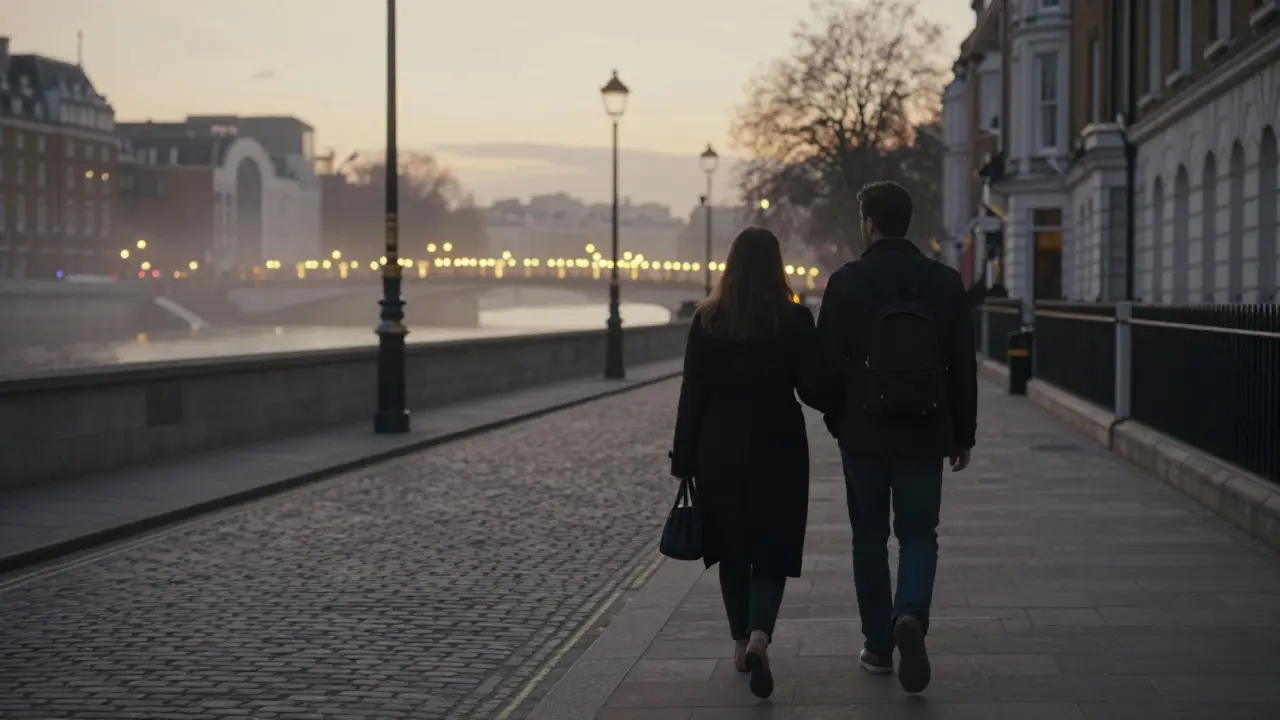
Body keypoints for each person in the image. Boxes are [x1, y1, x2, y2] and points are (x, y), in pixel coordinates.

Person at [816, 181, 978, 694]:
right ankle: (909, 613)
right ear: (910, 222)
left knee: (868, 539)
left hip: (863, 434)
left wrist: (838, 418)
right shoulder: (945, 283)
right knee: (918, 534)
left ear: (869, 222)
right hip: (925, 430)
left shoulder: (846, 283)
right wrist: (962, 435)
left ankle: (879, 647)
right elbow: (962, 368)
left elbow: (823, 371)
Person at [669, 226, 825, 700]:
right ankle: (761, 633)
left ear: (730, 267)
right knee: (773, 545)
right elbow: (812, 388)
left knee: (733, 548)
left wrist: (684, 459)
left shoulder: (707, 321)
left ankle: (740, 642)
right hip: (779, 444)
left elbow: (691, 394)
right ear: (777, 267)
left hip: (719, 449)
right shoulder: (794, 320)